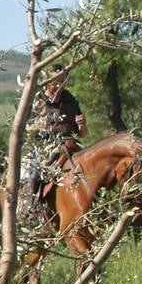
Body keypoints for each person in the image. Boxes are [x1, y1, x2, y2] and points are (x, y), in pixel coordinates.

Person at [23, 66, 87, 203]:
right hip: (44, 144)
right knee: (35, 169)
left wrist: (82, 125)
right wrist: (36, 126)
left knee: (90, 159)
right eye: (56, 81)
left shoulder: (70, 100)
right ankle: (32, 203)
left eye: (63, 81)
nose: (59, 85)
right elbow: (24, 128)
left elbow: (82, 134)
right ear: (48, 80)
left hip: (69, 142)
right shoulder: (36, 99)